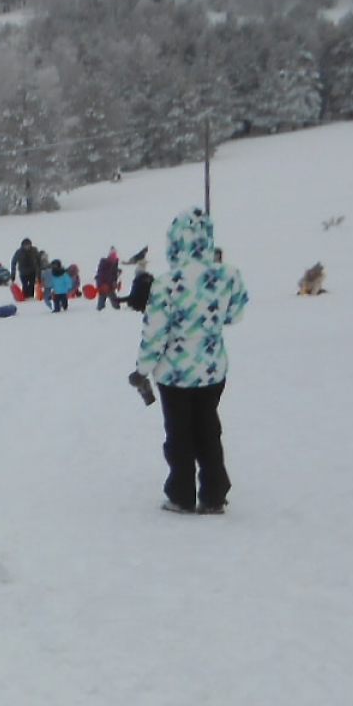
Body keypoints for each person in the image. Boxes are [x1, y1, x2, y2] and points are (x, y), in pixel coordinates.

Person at [133, 207, 248, 515]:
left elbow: (154, 331)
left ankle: (181, 494)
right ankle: (213, 494)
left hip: (174, 373)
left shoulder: (167, 283)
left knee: (179, 433)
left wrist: (142, 369)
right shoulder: (228, 276)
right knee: (208, 427)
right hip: (212, 368)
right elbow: (236, 314)